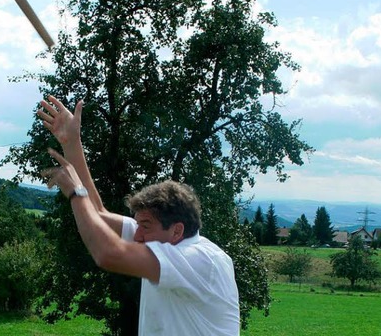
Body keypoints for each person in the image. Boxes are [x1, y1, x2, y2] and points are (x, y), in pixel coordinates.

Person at [38, 95, 240, 335]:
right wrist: (71, 143)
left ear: (177, 230)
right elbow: (99, 215)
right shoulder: (162, 240)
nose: (137, 235)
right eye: (137, 225)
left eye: (145, 225)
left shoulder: (201, 260)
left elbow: (108, 254)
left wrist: (76, 192)